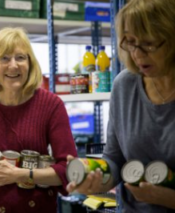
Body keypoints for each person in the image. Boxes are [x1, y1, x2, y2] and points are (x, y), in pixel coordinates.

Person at [0, 27, 77, 213]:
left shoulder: (51, 105)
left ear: (30, 63)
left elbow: (68, 169)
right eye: (4, 58)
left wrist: (21, 175)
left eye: (20, 57)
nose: (13, 65)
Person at [66, 0, 175, 212]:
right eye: (130, 42)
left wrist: (169, 199)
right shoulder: (124, 85)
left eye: (148, 43)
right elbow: (114, 159)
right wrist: (95, 179)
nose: (137, 54)